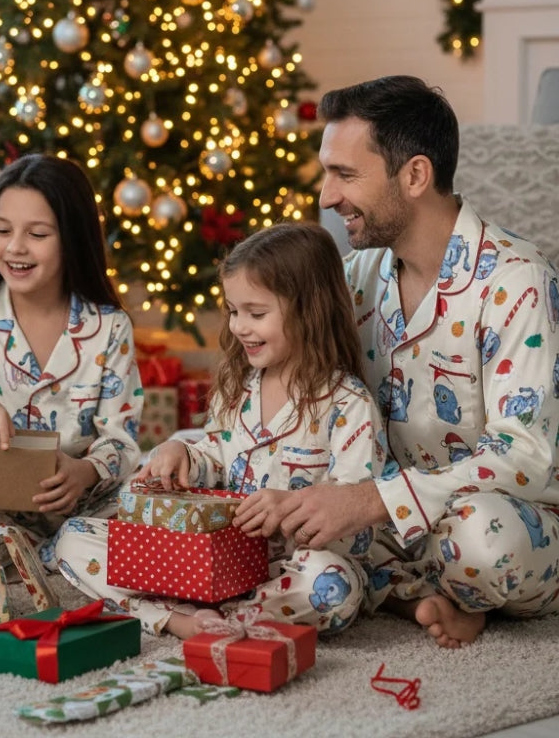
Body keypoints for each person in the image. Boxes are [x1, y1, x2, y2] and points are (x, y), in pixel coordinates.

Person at [272, 75, 559, 649]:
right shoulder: (355, 281)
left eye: (345, 175)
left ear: (416, 175)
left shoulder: (517, 280)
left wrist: (369, 500)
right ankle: (429, 598)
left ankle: (413, 591)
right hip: (395, 525)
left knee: (483, 540)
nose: (327, 197)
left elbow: (524, 457)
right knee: (285, 511)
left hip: (525, 523)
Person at [54, 222, 388, 638]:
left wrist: (289, 509)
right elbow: (215, 454)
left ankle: (230, 613)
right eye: (233, 311)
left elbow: (356, 527)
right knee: (74, 537)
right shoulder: (239, 387)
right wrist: (182, 453)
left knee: (334, 583)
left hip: (281, 569)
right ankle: (179, 620)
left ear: (309, 310)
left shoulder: (348, 406)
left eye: (256, 313)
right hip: (208, 554)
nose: (238, 326)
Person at [0, 153, 144, 568]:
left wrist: (87, 471)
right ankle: (60, 557)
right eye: (2, 230)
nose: (15, 247)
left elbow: (122, 438)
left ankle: (48, 553)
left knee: (144, 514)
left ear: (72, 238)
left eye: (37, 234)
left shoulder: (110, 328)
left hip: (81, 502)